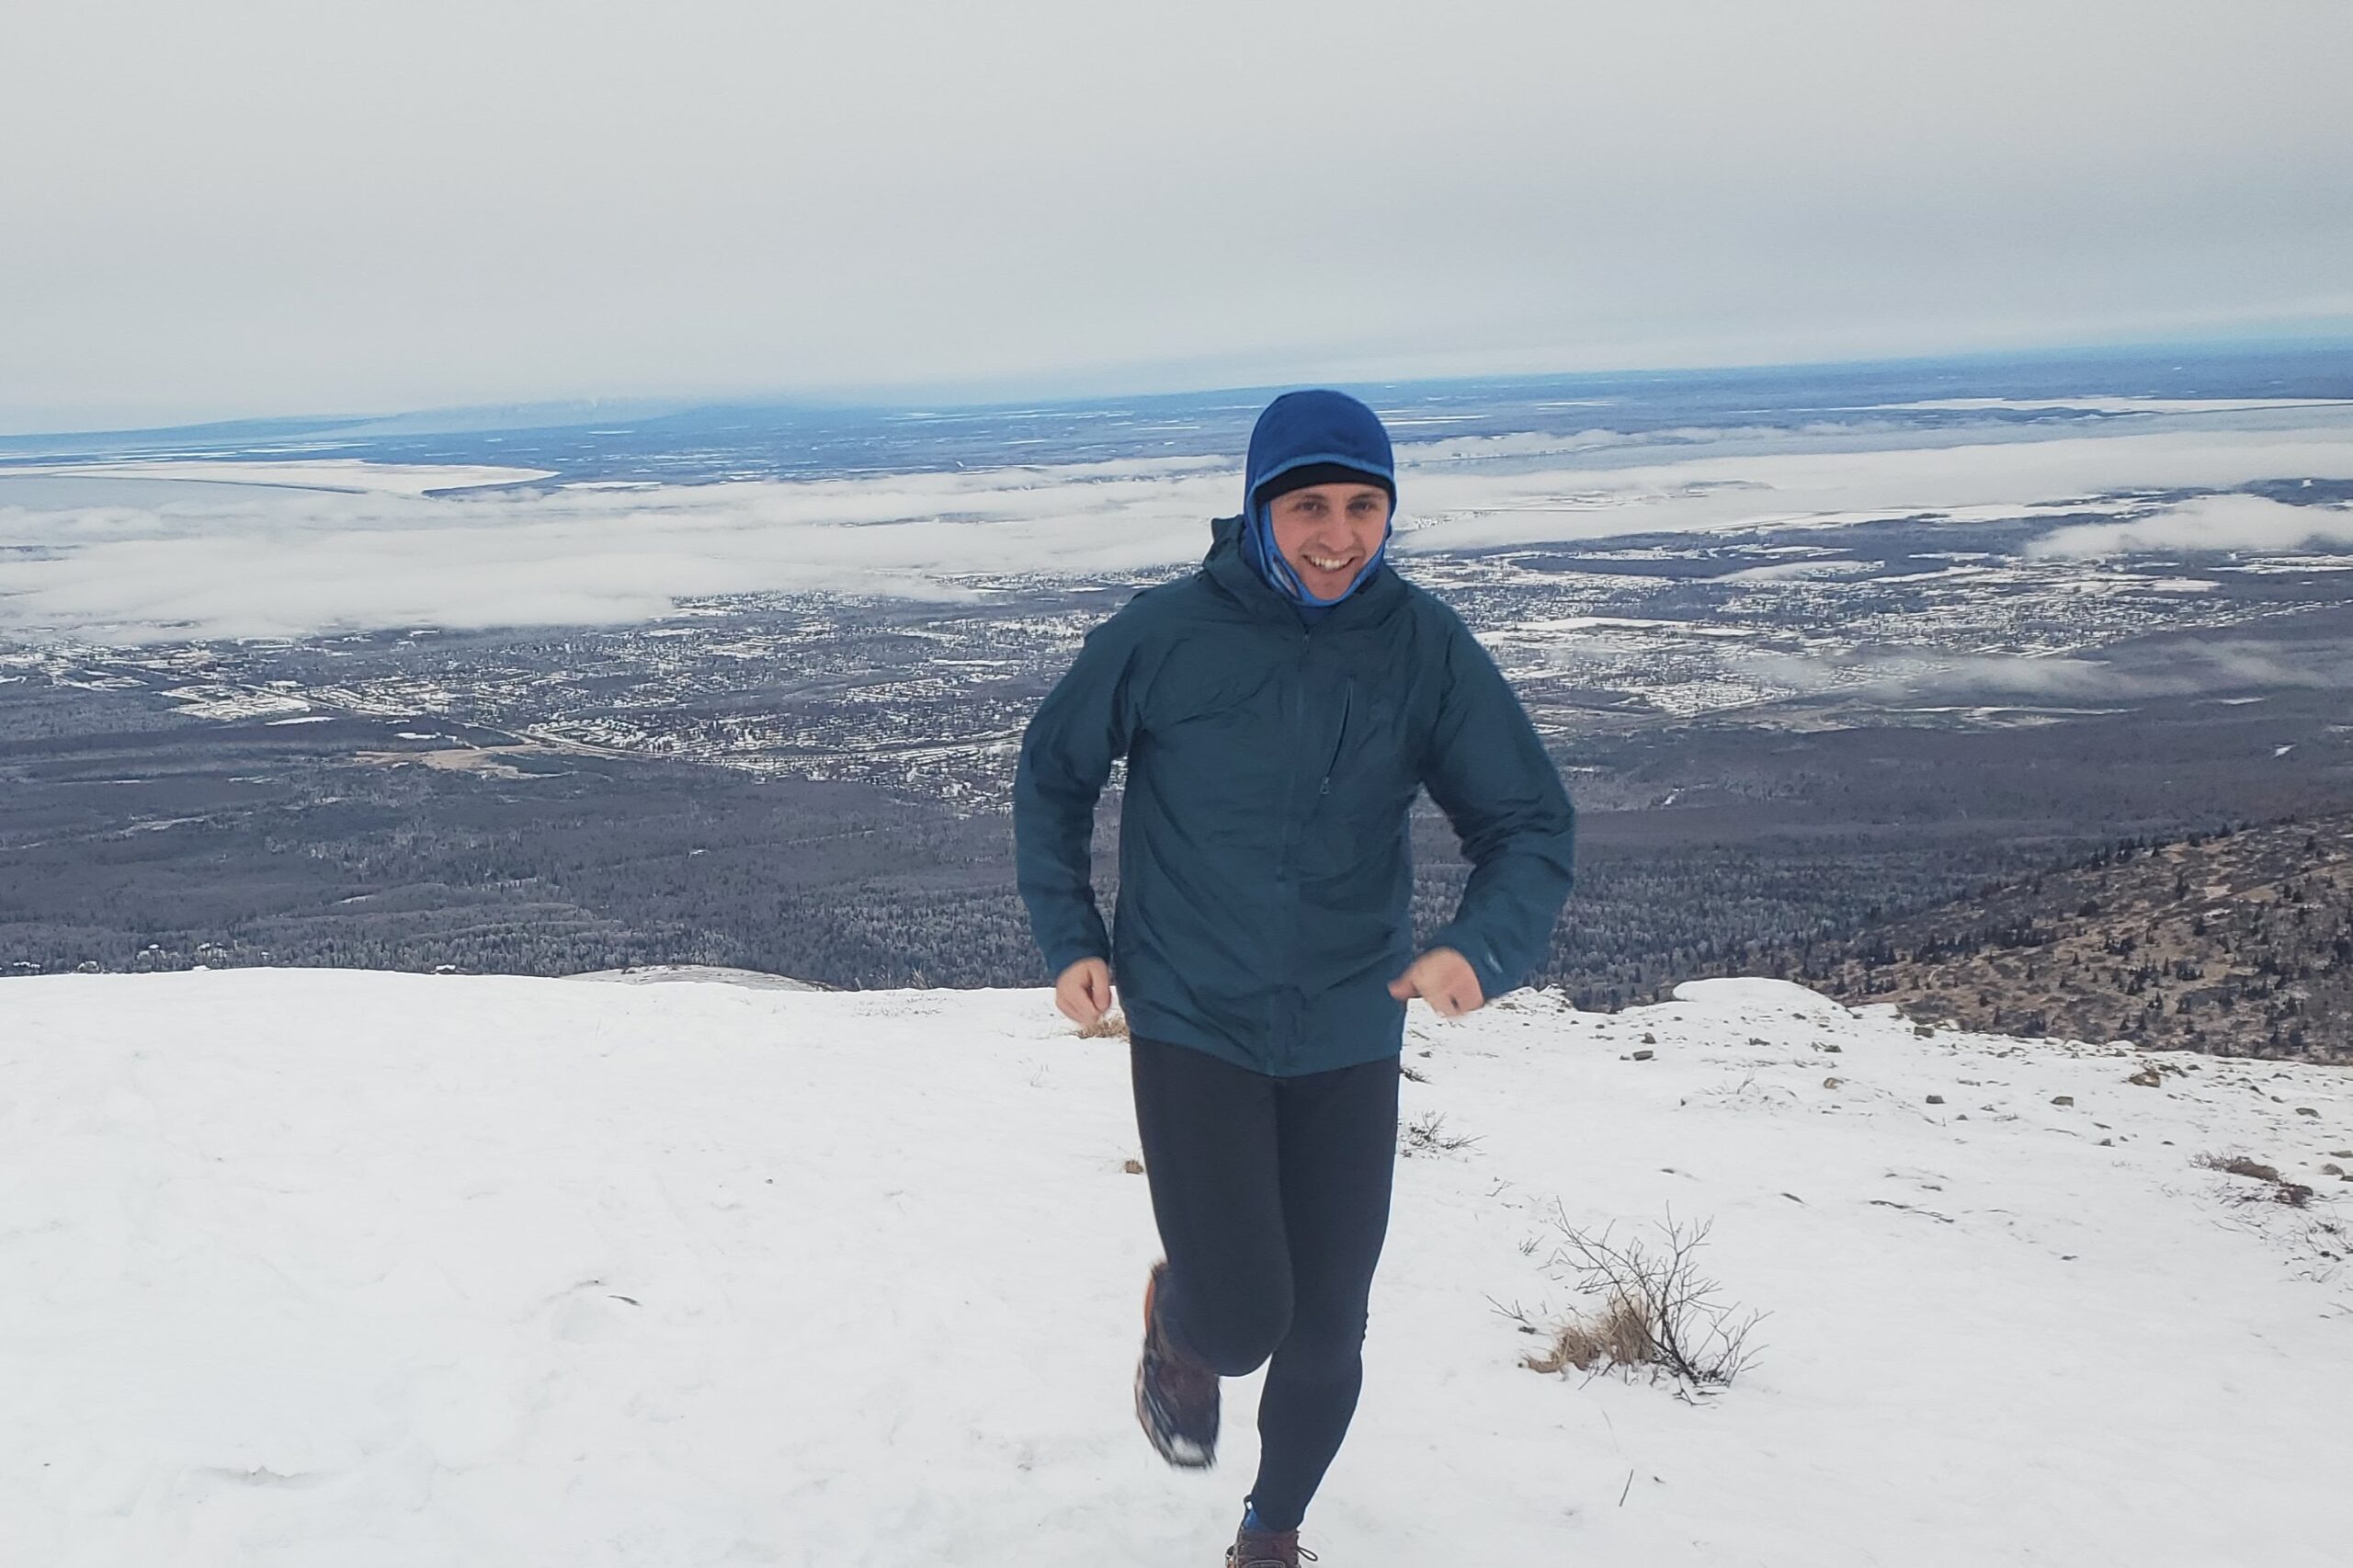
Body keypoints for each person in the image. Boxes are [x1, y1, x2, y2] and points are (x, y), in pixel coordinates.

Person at [1014, 388, 1575, 1567]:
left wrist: (1482, 947)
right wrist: (1070, 933)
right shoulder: (1165, 634)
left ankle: (1270, 1534)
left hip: (1348, 1020)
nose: (1337, 533)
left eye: (1363, 505)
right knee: (1241, 1316)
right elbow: (1055, 771)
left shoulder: (1422, 646)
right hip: (1191, 1010)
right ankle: (1182, 1313)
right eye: (1308, 504)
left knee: (1326, 1332)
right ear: (1259, 507)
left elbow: (1525, 820)